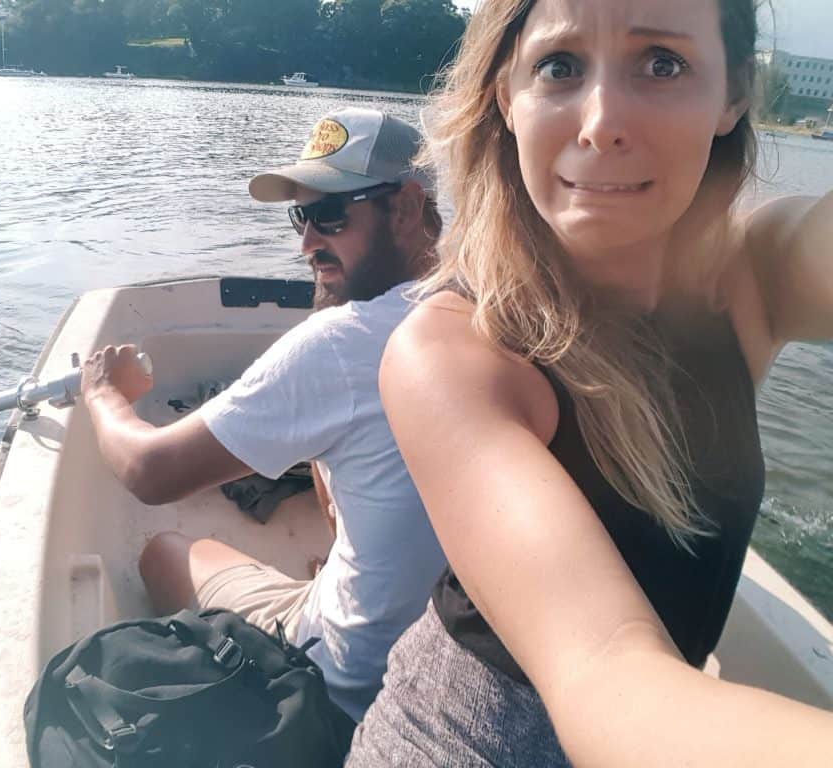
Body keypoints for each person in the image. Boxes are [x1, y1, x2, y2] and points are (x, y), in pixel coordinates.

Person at [347, 0, 833, 766]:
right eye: (560, 66)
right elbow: (607, 674)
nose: (601, 121)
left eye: (662, 64)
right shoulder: (452, 350)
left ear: (733, 95)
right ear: (508, 96)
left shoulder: (752, 278)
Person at [80, 107, 447, 721]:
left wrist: (103, 394)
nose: (306, 242)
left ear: (406, 210)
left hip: (343, 687)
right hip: (439, 680)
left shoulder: (341, 342)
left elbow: (149, 473)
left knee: (166, 551)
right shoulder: (478, 307)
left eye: (330, 214)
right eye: (300, 215)